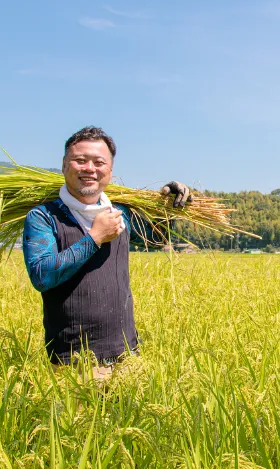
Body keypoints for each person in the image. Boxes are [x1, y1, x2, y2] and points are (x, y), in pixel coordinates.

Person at [22, 126, 191, 380]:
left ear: (109, 171)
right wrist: (95, 237)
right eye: (80, 160)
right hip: (75, 362)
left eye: (99, 162)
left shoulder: (120, 214)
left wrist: (173, 207)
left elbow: (157, 237)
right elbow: (42, 275)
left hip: (127, 354)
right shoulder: (44, 217)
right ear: (64, 166)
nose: (90, 168)